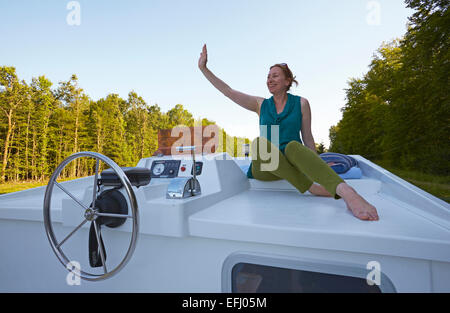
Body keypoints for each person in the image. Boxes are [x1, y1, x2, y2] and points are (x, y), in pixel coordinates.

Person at [198, 44, 379, 221]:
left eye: (275, 75)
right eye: (268, 76)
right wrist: (204, 68)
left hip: (291, 163)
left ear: (287, 81)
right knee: (259, 144)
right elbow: (228, 92)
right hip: (266, 168)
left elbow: (307, 138)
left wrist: (316, 168)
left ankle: (348, 193)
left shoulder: (301, 103)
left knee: (293, 145)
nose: (269, 79)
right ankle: (310, 187)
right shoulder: (260, 105)